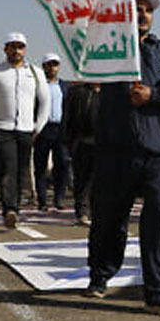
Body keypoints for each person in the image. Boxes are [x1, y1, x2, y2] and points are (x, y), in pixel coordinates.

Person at [85, 0, 160, 317]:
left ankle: (159, 292)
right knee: (108, 218)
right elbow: (86, 46)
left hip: (157, 152)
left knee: (159, 220)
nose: (143, 14)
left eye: (148, 9)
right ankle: (100, 275)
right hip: (115, 149)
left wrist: (155, 95)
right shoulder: (107, 48)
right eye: (137, 8)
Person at [0, 33, 50, 229]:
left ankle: (14, 206)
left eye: (20, 47)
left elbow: (45, 102)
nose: (16, 51)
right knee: (8, 168)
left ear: (25, 49)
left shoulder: (35, 73)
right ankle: (9, 209)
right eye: (12, 46)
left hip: (26, 130)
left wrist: (38, 126)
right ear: (5, 49)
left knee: (21, 170)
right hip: (2, 128)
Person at [33, 53, 71, 211]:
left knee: (62, 163)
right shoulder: (38, 85)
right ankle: (42, 200)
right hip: (43, 128)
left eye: (55, 64)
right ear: (44, 67)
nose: (52, 68)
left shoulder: (64, 86)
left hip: (60, 128)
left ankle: (59, 198)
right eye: (49, 64)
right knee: (40, 165)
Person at [64, 81, 100, 225]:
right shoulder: (77, 92)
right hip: (82, 141)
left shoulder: (111, 92)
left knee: (100, 179)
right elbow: (68, 117)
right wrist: (68, 141)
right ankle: (82, 212)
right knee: (82, 179)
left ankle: (97, 210)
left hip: (104, 143)